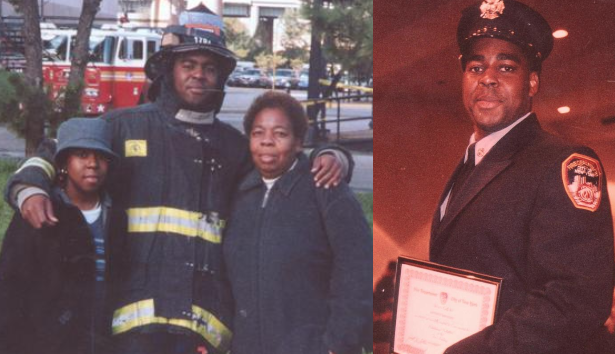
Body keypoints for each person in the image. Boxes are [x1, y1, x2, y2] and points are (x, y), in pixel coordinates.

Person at [3, 5, 350, 354]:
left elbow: (285, 161)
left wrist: (335, 156)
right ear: (170, 69)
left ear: (221, 77)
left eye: (209, 68)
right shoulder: (124, 126)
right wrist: (30, 188)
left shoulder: (234, 147)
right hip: (131, 325)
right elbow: (56, 150)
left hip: (204, 330)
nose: (199, 75)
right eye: (188, 65)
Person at [430, 1, 615, 353]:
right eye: (475, 67)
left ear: (531, 83)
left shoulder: (565, 162)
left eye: (506, 67)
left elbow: (576, 298)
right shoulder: (473, 162)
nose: (487, 77)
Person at [223, 91, 372, 354]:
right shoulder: (239, 193)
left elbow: (357, 270)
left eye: (280, 134)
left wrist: (338, 344)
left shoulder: (324, 188)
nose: (267, 142)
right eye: (258, 133)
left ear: (298, 142)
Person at [0, 118, 122, 354]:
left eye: (101, 156)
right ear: (64, 162)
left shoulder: (117, 215)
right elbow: (10, 287)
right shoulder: (40, 212)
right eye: (82, 155)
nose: (92, 164)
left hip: (103, 338)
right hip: (48, 342)